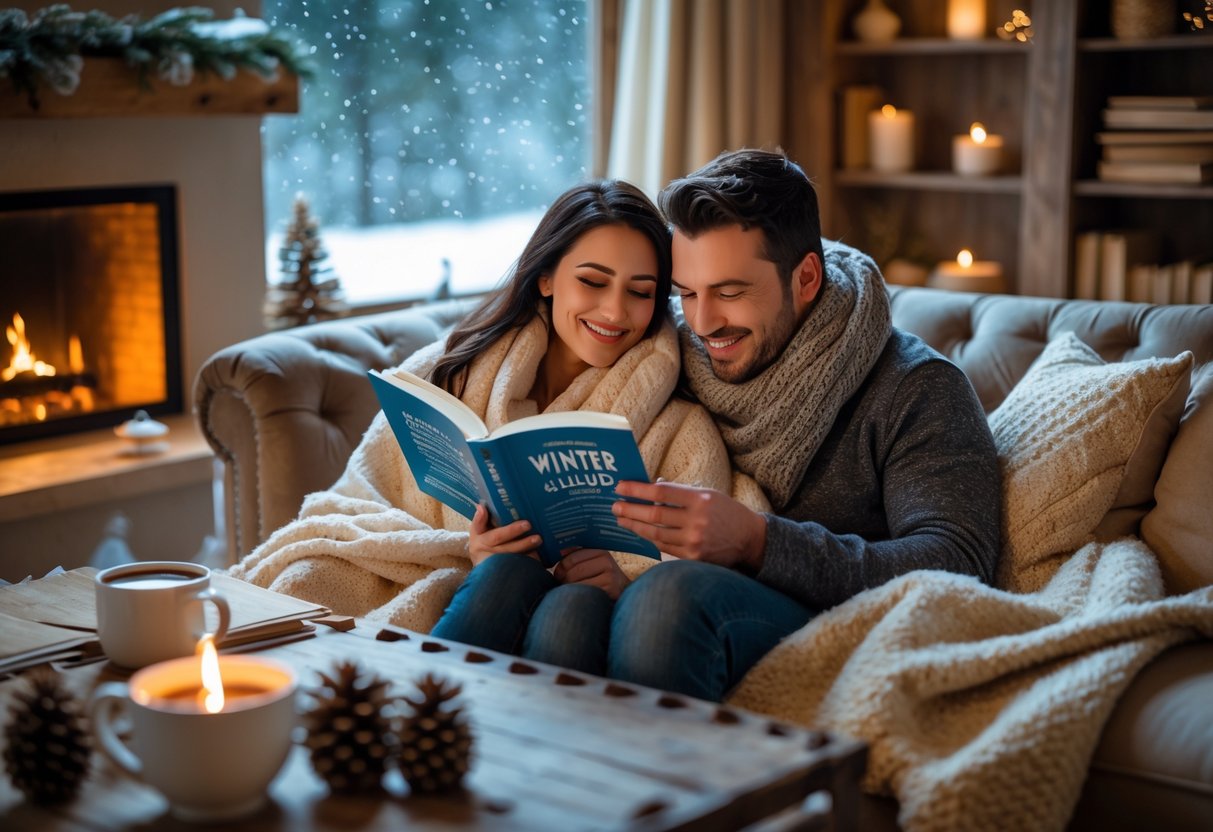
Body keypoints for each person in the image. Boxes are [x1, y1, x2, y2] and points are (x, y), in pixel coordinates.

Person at [229, 179, 766, 673]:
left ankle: (422, 715)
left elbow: (697, 576)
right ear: (548, 277)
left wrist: (621, 584)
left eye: (641, 291)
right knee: (506, 573)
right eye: (593, 281)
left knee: (571, 604)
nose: (615, 310)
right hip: (477, 591)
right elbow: (355, 499)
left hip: (581, 621)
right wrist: (470, 549)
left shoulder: (679, 426)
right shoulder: (449, 370)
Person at [608, 149, 1002, 702]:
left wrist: (758, 541)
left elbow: (957, 563)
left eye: (729, 292)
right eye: (688, 293)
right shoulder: (667, 357)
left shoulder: (917, 386)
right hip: (666, 592)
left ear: (807, 278)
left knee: (666, 601)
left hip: (829, 616)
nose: (703, 322)